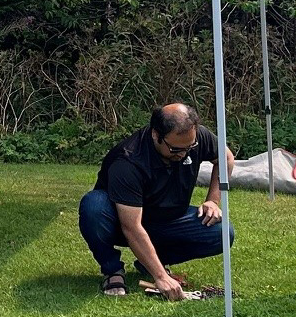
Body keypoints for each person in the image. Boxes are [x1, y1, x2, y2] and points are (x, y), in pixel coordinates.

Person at [78, 103, 236, 301]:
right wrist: (161, 277)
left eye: (190, 148)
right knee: (93, 206)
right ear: (156, 135)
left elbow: (226, 158)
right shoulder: (128, 161)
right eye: (175, 149)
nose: (184, 154)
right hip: (121, 222)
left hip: (169, 220)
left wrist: (212, 200)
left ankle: (151, 262)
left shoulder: (196, 137)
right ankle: (113, 271)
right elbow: (131, 227)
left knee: (222, 232)